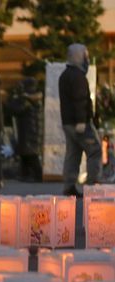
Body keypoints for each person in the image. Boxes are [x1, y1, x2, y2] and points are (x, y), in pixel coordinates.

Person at [59, 43, 101, 196]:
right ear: (79, 56)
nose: (87, 59)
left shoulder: (65, 75)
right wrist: (82, 121)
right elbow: (80, 100)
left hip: (68, 122)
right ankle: (93, 186)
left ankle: (69, 186)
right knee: (94, 150)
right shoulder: (77, 76)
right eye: (85, 55)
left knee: (73, 153)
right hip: (79, 122)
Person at [6, 77, 43, 182]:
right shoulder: (34, 98)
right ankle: (26, 174)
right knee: (27, 154)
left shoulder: (28, 100)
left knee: (31, 155)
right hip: (30, 130)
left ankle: (37, 176)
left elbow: (16, 109)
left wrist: (12, 98)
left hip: (30, 131)